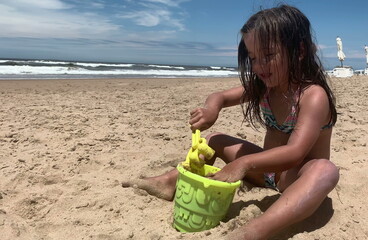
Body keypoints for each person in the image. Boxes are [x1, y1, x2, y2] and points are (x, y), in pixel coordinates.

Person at [123, 4, 340, 240]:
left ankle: (254, 231)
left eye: (268, 56)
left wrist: (243, 164)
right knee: (214, 139)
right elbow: (221, 96)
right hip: (267, 174)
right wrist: (211, 110)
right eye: (253, 58)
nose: (258, 67)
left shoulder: (312, 95)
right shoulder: (264, 88)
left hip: (296, 180)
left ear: (299, 51)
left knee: (325, 170)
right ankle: (169, 182)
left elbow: (296, 152)